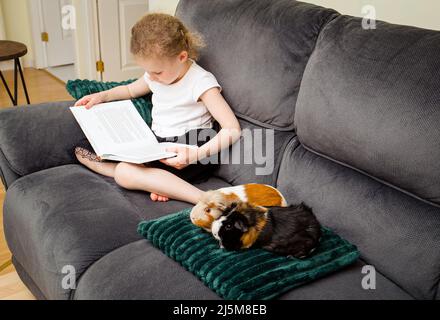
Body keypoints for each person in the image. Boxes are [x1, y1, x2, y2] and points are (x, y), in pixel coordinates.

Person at [73, 13, 241, 205]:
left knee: (123, 173)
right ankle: (157, 182)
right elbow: (130, 90)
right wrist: (102, 96)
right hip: (158, 145)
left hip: (190, 149)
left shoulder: (200, 81)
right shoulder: (156, 76)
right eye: (148, 71)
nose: (151, 78)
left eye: (157, 72)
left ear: (182, 57)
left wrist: (196, 154)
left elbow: (232, 129)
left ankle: (202, 198)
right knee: (82, 148)